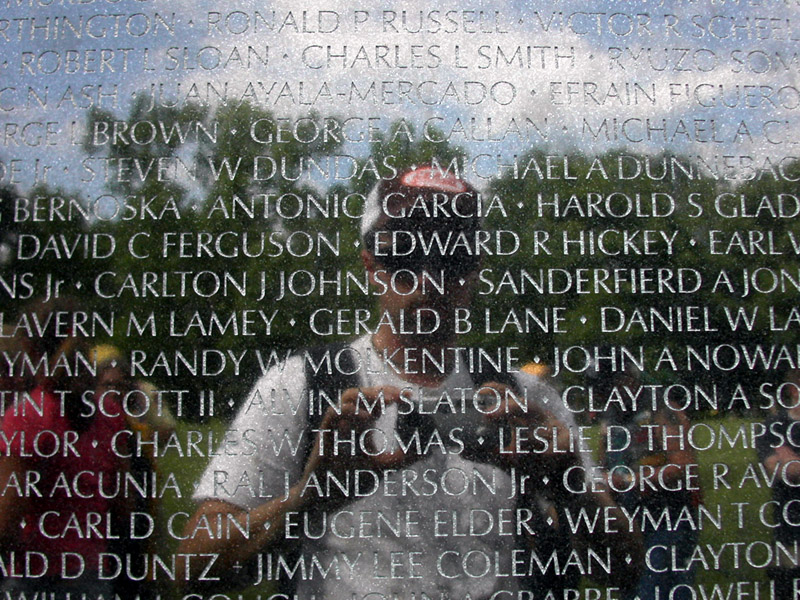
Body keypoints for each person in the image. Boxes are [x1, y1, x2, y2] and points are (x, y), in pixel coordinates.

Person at [181, 166, 642, 597]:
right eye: (403, 254)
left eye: (452, 257)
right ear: (370, 266)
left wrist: (569, 487)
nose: (428, 278)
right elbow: (191, 567)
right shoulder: (300, 385)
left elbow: (624, 571)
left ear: (474, 273)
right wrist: (309, 500)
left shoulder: (528, 399)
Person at [0, 298, 130, 595]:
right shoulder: (109, 413)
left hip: (33, 579)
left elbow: (6, 523)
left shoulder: (28, 416)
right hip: (93, 577)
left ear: (29, 347)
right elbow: (124, 508)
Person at [757, 369, 800, 598]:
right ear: (794, 390)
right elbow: (781, 469)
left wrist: (790, 458)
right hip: (790, 528)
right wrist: (788, 464)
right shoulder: (775, 425)